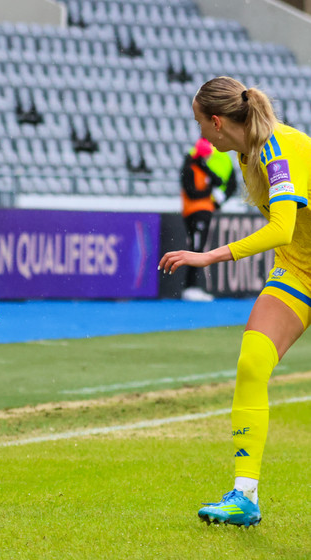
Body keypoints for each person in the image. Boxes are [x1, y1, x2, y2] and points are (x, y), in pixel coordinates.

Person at [159, 76, 311, 527]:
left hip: (294, 257)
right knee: (251, 364)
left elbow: (281, 228)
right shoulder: (246, 154)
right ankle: (245, 496)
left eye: (199, 123)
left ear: (218, 121)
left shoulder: (275, 150)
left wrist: (208, 255)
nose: (200, 133)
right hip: (299, 269)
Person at [179, 136, 237, 302]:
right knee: (196, 248)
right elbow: (191, 192)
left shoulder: (203, 169)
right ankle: (190, 287)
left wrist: (206, 171)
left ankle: (193, 286)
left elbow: (219, 181)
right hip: (194, 212)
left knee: (198, 248)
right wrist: (209, 194)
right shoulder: (190, 168)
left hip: (203, 211)